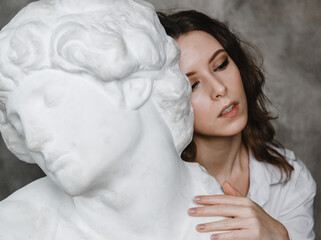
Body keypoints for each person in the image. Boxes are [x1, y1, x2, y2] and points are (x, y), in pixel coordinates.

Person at [0, 1, 225, 239]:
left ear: (132, 84)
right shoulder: (15, 229)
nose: (33, 141)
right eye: (19, 124)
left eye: (52, 100)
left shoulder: (231, 219)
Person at [158, 10, 316, 240]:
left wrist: (280, 237)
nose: (219, 89)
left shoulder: (290, 178)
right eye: (193, 85)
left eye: (221, 65)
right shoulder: (155, 187)